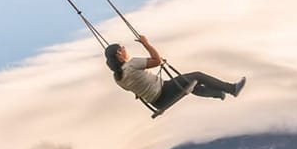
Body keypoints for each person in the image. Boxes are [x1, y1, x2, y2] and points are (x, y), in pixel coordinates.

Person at [104, 36, 245, 107]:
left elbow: (134, 91)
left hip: (157, 103)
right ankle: (231, 89)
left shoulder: (117, 78)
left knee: (188, 84)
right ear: (119, 54)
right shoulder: (132, 64)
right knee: (197, 75)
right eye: (122, 48)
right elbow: (156, 61)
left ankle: (217, 93)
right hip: (164, 91)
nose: (125, 49)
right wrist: (145, 43)